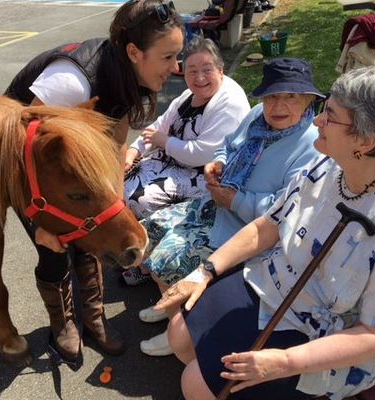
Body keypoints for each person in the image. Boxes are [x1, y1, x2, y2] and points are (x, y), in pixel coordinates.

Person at [156, 66, 375, 399]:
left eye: (330, 116)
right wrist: (204, 271)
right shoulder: (328, 163)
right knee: (179, 334)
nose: (316, 122)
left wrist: (282, 362)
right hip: (279, 285)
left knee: (195, 384)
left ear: (366, 142)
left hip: (328, 338)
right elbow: (268, 225)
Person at [4, 0, 184, 366]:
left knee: (92, 236)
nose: (176, 68)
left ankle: (95, 318)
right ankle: (64, 324)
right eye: (167, 57)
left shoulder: (127, 75)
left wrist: (112, 203)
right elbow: (18, 155)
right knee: (54, 246)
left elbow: (116, 141)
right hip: (24, 169)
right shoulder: (70, 84)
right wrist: (39, 224)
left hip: (71, 161)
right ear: (135, 52)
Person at [134, 58, 324, 356]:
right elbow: (229, 144)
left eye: (291, 97)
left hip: (243, 230)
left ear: (309, 100)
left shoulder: (311, 145)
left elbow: (283, 212)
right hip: (215, 205)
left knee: (170, 259)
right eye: (273, 96)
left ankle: (179, 327)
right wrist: (218, 162)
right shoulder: (258, 115)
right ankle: (171, 302)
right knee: (149, 231)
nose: (279, 106)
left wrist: (236, 200)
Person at [123, 36, 250, 221]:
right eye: (192, 71)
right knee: (118, 178)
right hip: (172, 163)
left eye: (207, 70)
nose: (199, 78)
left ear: (220, 71)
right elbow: (160, 125)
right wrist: (134, 150)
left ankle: (145, 236)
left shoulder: (230, 103)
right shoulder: (189, 94)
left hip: (203, 176)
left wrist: (165, 141)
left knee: (138, 199)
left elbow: (203, 155)